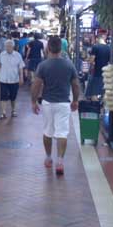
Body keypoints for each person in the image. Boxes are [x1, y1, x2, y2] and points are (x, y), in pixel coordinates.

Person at [31, 36, 80, 176]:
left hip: (47, 103)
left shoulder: (43, 65)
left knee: (47, 131)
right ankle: (60, 161)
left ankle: (48, 158)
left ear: (48, 49)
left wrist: (33, 102)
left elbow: (36, 85)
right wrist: (75, 100)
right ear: (61, 48)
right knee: (62, 133)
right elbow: (75, 85)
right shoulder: (69, 65)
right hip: (64, 103)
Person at [0, 39, 24, 119]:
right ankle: (3, 112)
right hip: (3, 79)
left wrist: (21, 77)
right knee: (3, 97)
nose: (7, 48)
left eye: (9, 46)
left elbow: (20, 67)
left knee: (13, 97)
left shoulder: (18, 55)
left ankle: (13, 110)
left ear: (13, 46)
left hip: (14, 79)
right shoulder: (2, 54)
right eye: (6, 46)